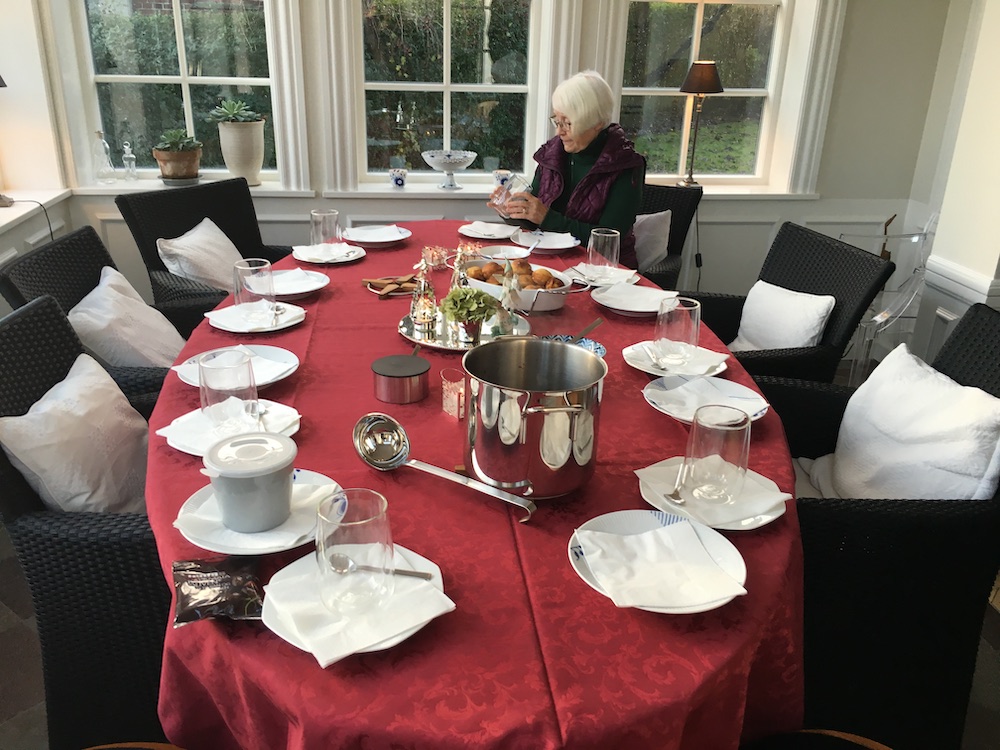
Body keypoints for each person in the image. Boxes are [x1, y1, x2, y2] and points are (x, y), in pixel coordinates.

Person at [493, 70, 646, 268]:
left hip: (604, 273)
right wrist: (514, 210)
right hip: (553, 264)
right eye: (557, 120)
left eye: (568, 122)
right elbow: (536, 220)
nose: (559, 131)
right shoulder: (552, 154)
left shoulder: (627, 166)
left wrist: (546, 217)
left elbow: (606, 242)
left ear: (597, 122)